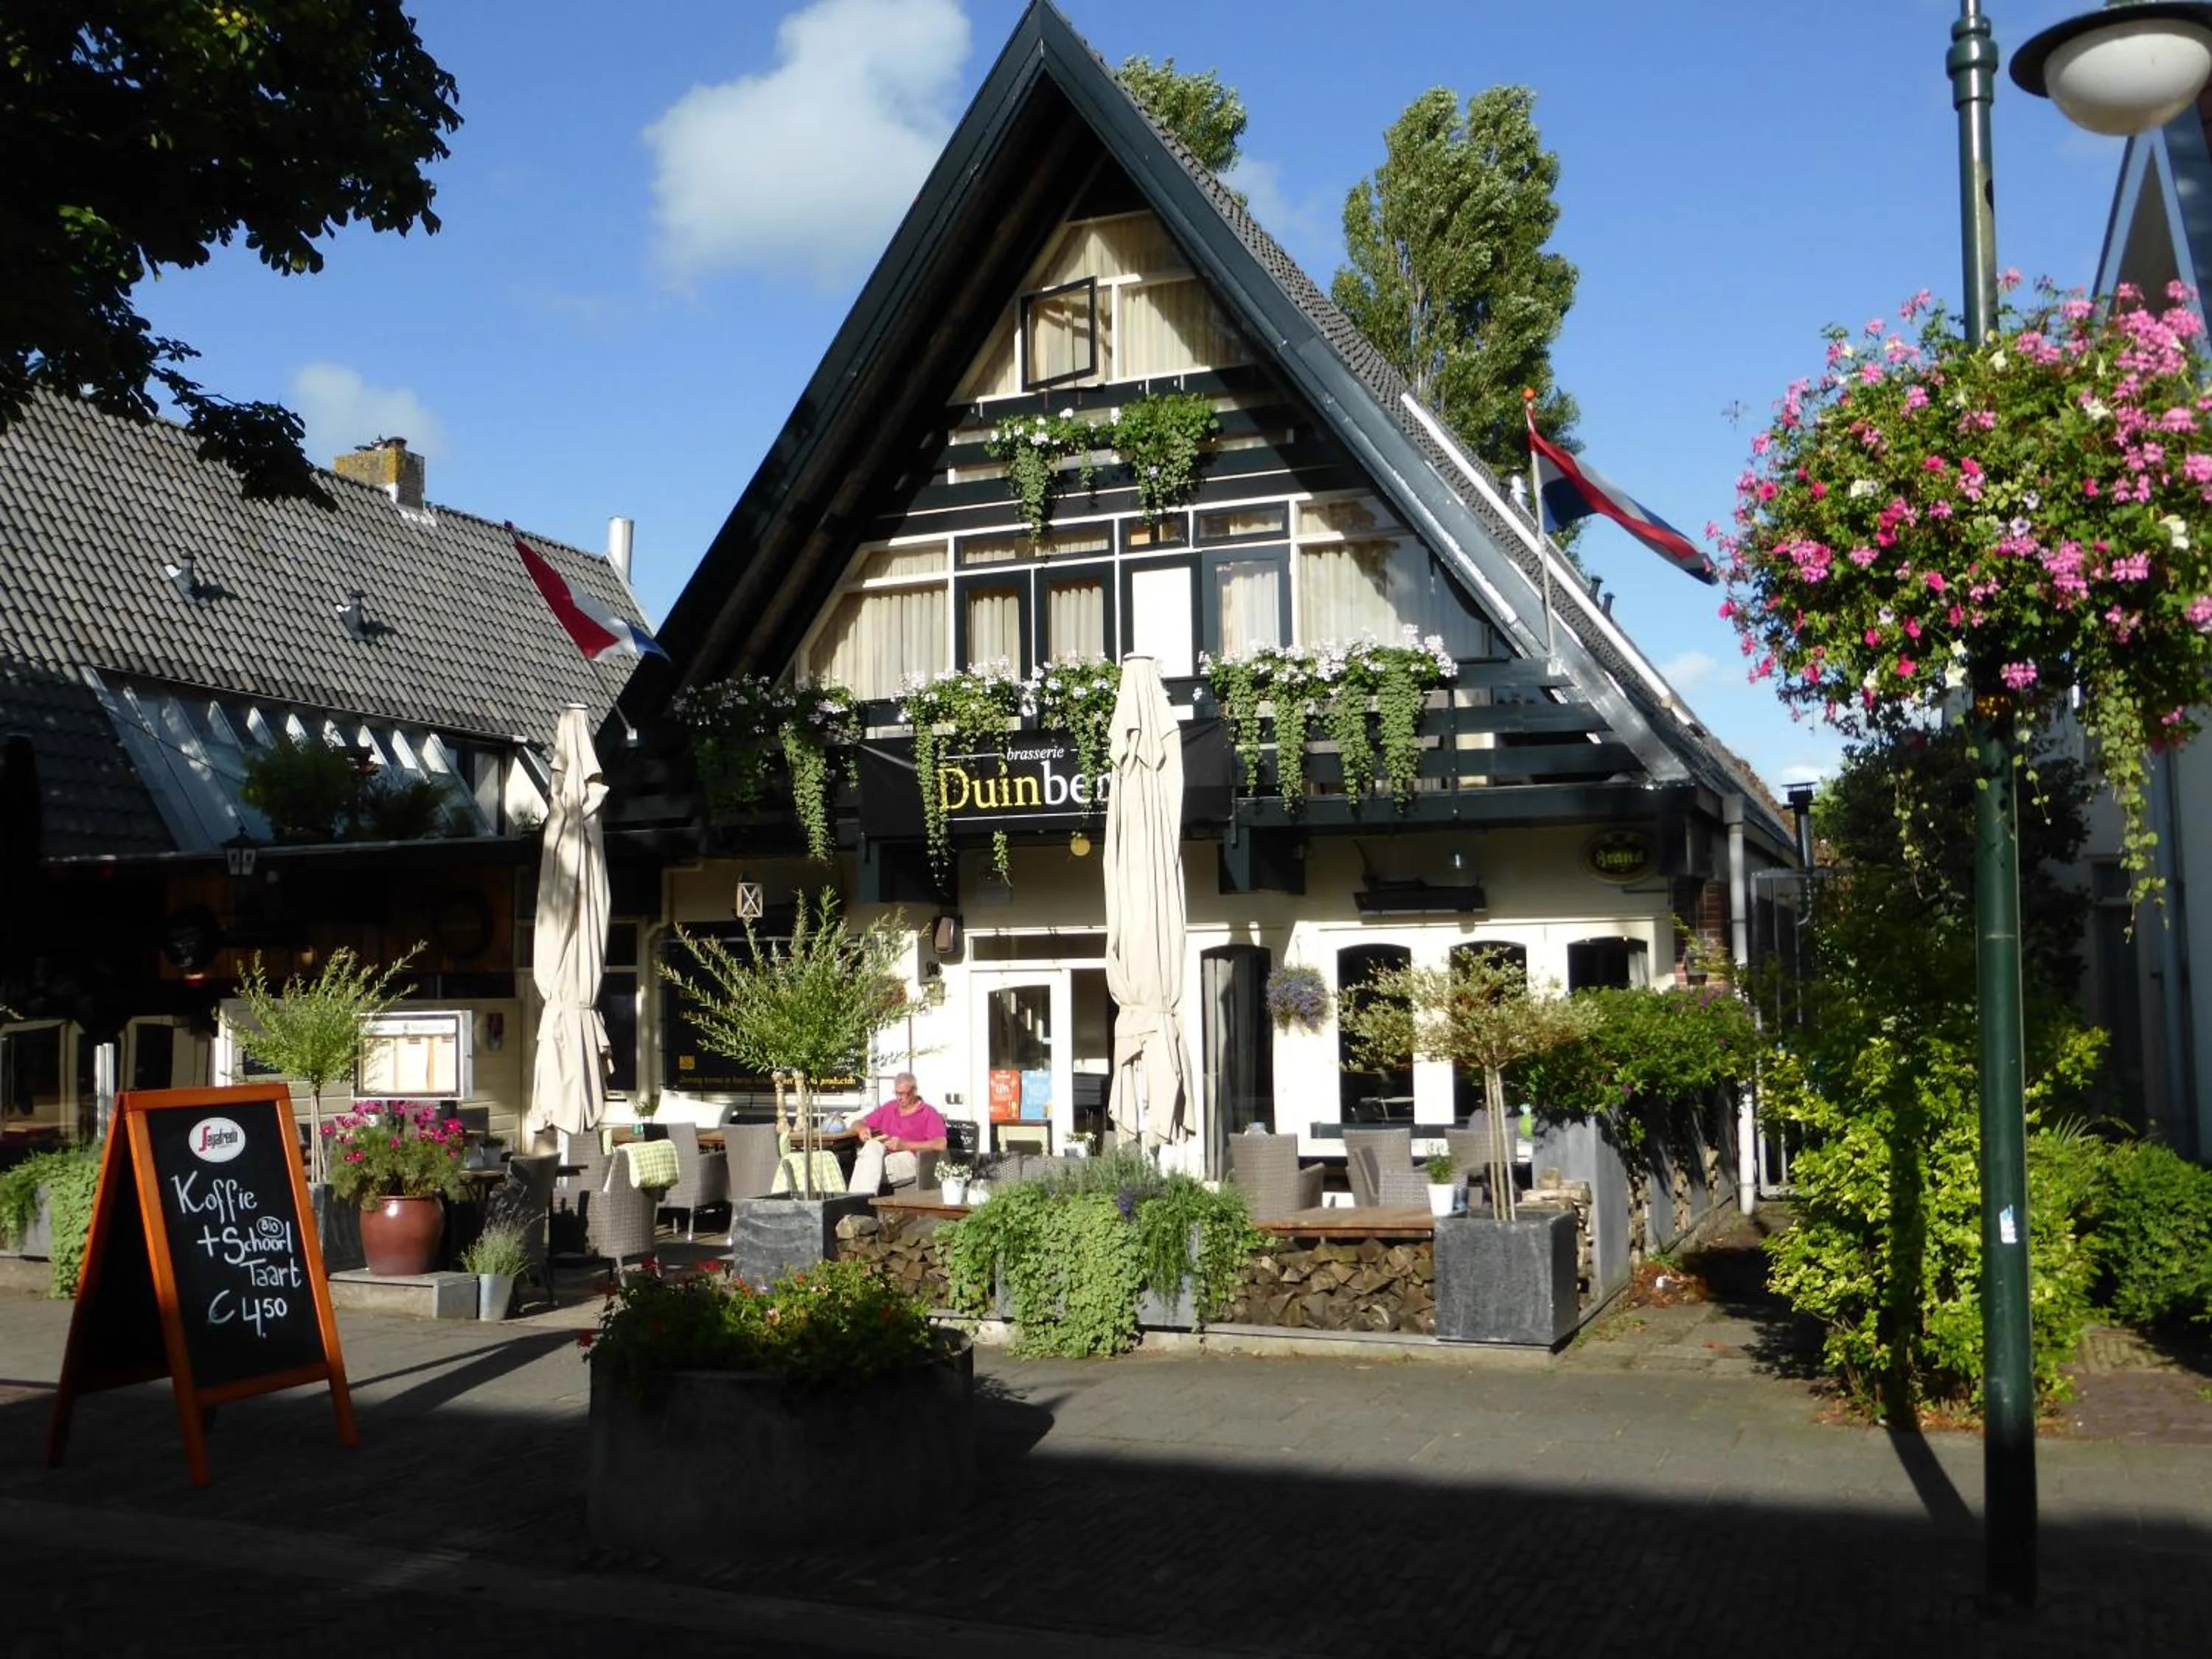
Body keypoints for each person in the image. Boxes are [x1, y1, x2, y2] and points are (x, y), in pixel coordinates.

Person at [847, 1073, 947, 1196]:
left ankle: (855, 1203)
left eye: (904, 1094)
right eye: (897, 1093)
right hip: (884, 1155)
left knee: (865, 1165)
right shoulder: (890, 1107)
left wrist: (905, 1145)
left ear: (914, 1091)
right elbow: (857, 1122)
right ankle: (859, 1202)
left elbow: (941, 1143)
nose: (900, 1098)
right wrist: (861, 1129)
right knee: (871, 1148)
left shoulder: (928, 1113)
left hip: (911, 1158)